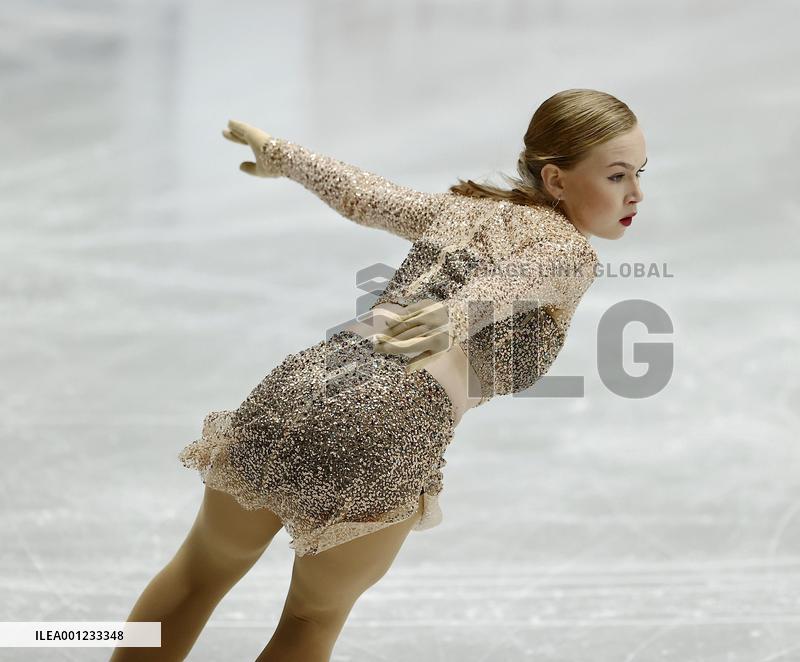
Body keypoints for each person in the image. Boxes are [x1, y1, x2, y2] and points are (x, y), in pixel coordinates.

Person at [110, 88, 645, 661]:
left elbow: (366, 196)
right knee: (310, 620)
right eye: (616, 176)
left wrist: (283, 155)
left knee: (198, 573)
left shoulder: (459, 208)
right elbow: (526, 276)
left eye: (638, 173)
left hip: (303, 384)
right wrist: (458, 314)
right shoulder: (571, 251)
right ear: (556, 180)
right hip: (385, 425)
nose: (636, 193)